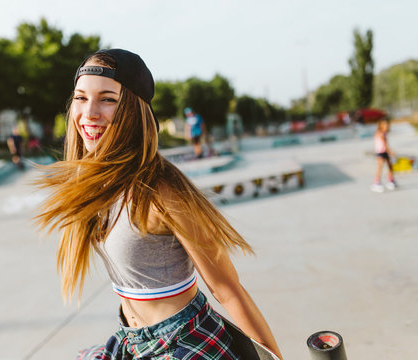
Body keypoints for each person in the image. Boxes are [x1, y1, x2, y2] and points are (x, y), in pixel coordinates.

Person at [35, 49, 282, 359]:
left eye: (108, 99)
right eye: (81, 98)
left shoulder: (160, 190)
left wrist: (273, 357)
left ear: (132, 110)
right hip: (132, 340)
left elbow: (227, 289)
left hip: (184, 341)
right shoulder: (97, 181)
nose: (90, 113)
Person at [371, 119, 396, 193]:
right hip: (380, 152)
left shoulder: (384, 133)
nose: (386, 126)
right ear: (381, 126)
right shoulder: (379, 133)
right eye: (384, 125)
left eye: (387, 125)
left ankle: (391, 180)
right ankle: (376, 182)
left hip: (385, 151)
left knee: (390, 166)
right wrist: (391, 152)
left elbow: (386, 143)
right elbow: (384, 143)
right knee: (380, 167)